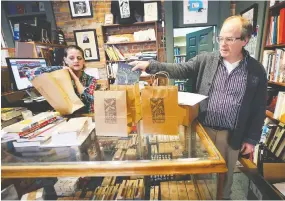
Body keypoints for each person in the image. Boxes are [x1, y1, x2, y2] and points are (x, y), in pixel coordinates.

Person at [130, 15, 267, 199]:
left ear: (245, 40)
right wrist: (151, 65)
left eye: (230, 39)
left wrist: (251, 139)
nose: (223, 44)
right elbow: (181, 69)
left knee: (224, 182)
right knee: (200, 178)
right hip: (203, 131)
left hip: (232, 135)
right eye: (221, 38)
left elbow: (258, 108)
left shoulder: (256, 70)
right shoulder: (206, 59)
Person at [63, 45, 97, 113]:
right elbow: (36, 71)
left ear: (83, 60)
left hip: (86, 115)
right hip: (66, 116)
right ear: (65, 60)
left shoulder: (90, 79)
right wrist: (59, 68)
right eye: (71, 58)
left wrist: (76, 80)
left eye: (79, 58)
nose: (76, 61)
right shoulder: (61, 77)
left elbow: (88, 102)